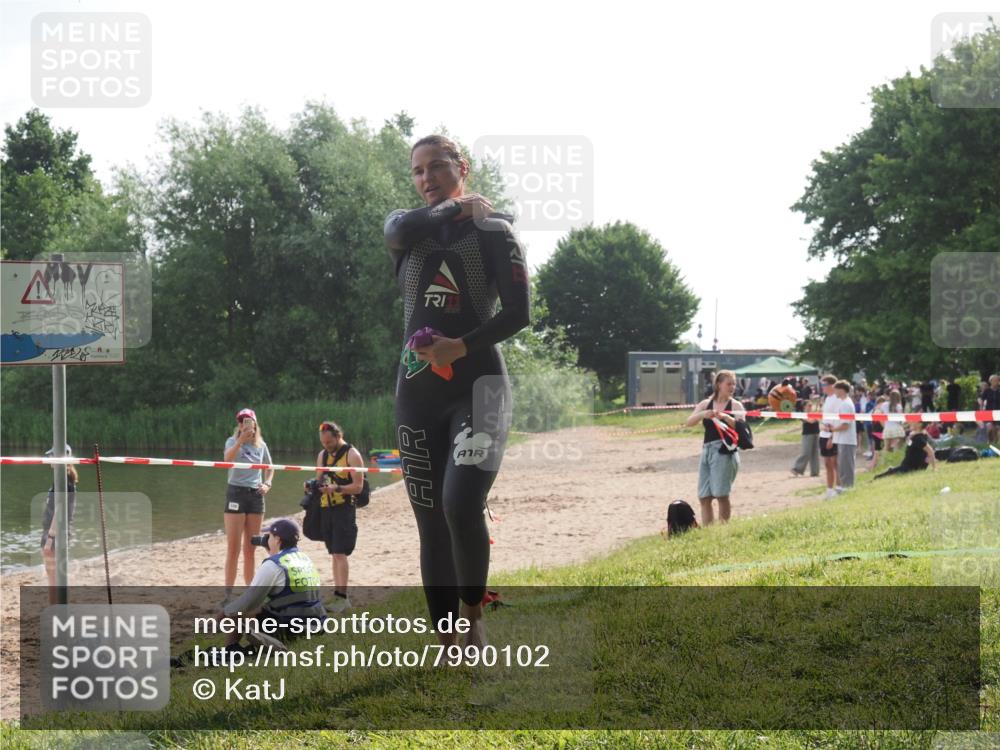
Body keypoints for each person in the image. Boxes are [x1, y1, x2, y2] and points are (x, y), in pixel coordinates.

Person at [383, 134, 530, 649]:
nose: (426, 179)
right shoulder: (406, 230)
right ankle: (446, 640)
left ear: (461, 166)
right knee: (430, 520)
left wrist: (459, 347)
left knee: (460, 504)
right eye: (418, 171)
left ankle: (472, 616)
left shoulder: (494, 230)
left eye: (437, 167)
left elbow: (518, 314)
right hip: (415, 395)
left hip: (480, 388)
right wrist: (451, 206)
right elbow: (399, 226)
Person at [216, 518, 326, 652]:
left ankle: (230, 649)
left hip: (293, 630)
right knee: (260, 607)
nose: (266, 539)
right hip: (317, 626)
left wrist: (223, 614)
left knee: (238, 611)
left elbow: (247, 602)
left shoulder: (273, 564)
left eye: (269, 536)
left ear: (278, 539)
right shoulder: (304, 559)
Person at [308, 421, 365, 612]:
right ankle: (336, 595)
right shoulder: (321, 456)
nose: (327, 446)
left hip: (344, 508)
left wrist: (337, 488)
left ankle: (343, 596)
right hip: (326, 508)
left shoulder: (352, 454)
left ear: (338, 436)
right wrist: (311, 486)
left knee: (340, 553)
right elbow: (318, 481)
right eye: (323, 443)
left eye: (329, 442)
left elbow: (358, 487)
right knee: (333, 553)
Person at [222, 408, 274, 607]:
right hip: (236, 492)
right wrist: (240, 441)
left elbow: (270, 467)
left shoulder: (261, 445)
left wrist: (267, 484)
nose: (246, 424)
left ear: (255, 423)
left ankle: (250, 595)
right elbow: (227, 460)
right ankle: (227, 594)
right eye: (242, 421)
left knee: (250, 549)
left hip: (255, 495)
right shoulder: (232, 441)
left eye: (249, 421)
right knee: (233, 548)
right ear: (239, 424)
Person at [685, 369, 747, 526]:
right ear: (719, 384)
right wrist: (702, 415)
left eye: (734, 383)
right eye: (729, 383)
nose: (733, 387)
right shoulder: (706, 404)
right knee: (704, 496)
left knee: (721, 494)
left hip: (725, 452)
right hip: (707, 450)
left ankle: (723, 528)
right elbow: (689, 422)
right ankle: (709, 530)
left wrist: (726, 417)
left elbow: (742, 428)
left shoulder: (736, 405)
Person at [40, 444, 78, 605]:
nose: (49, 459)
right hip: (56, 533)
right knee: (55, 575)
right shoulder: (64, 479)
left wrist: (50, 538)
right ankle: (56, 608)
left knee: (54, 576)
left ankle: (57, 609)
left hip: (55, 534)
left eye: (52, 456)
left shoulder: (64, 481)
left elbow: (60, 510)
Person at [829, 380, 857, 491]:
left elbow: (845, 425)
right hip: (843, 439)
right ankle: (845, 486)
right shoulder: (845, 402)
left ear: (841, 390)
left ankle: (847, 487)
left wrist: (833, 430)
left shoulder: (846, 404)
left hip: (846, 440)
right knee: (843, 464)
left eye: (835, 389)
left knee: (846, 464)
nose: (834, 392)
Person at [817, 375, 840, 499]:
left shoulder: (837, 399)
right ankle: (829, 490)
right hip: (824, 432)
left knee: (835, 463)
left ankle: (839, 488)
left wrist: (832, 436)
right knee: (827, 463)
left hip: (832, 433)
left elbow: (838, 419)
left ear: (831, 385)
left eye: (824, 385)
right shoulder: (827, 399)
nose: (823, 388)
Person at [791, 399, 821, 478]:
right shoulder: (802, 415)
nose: (811, 407)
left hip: (816, 433)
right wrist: (817, 414)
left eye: (811, 405)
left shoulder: (813, 413)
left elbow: (818, 418)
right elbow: (811, 421)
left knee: (815, 454)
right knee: (806, 452)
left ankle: (815, 472)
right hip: (807, 435)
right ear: (804, 407)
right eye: (809, 405)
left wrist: (818, 411)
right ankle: (797, 468)